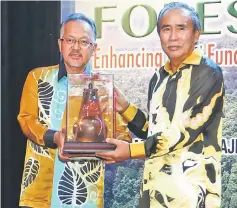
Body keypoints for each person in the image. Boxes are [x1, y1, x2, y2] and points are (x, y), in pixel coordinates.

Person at [96, 2, 224, 208]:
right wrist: (125, 108)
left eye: (181, 28)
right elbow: (155, 131)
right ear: (159, 35)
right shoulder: (158, 78)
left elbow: (182, 132)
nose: (173, 37)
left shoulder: (208, 72)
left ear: (196, 34)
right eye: (166, 29)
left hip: (191, 195)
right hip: (153, 193)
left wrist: (130, 151)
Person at [18, 13, 131, 208]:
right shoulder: (38, 78)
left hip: (87, 193)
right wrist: (54, 137)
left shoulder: (104, 87)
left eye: (84, 41)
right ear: (60, 44)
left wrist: (109, 145)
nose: (76, 47)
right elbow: (26, 120)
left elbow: (122, 136)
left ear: (94, 48)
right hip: (39, 192)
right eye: (70, 40)